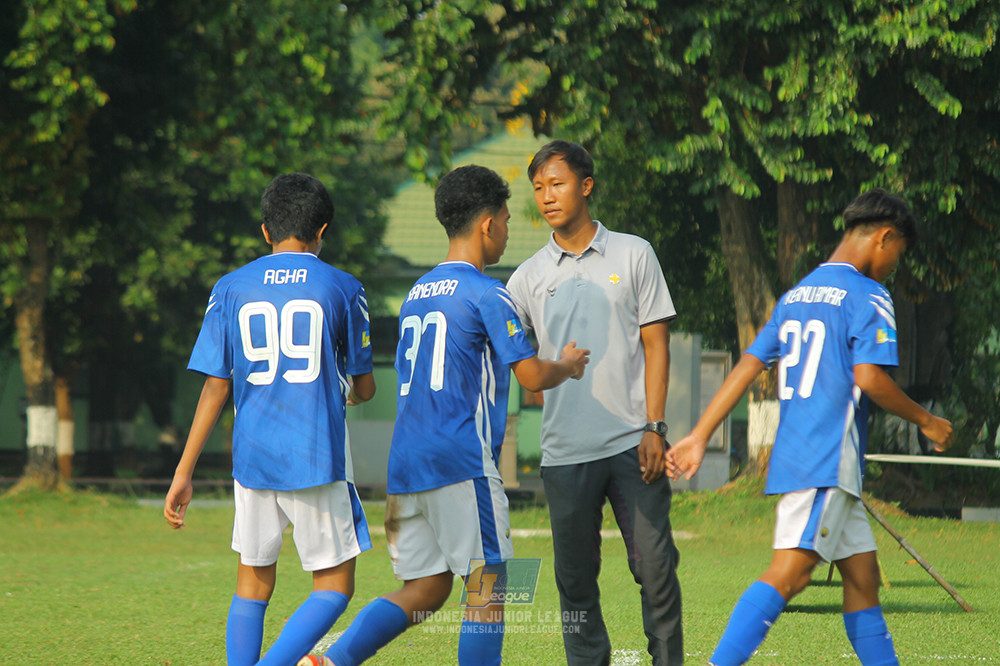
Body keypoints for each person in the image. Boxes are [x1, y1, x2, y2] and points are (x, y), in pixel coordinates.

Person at [299, 165, 590, 666]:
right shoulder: (487, 292)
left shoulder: (418, 293)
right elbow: (530, 378)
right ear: (485, 224)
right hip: (461, 462)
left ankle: (332, 661)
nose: (505, 231)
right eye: (504, 219)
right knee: (489, 587)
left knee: (427, 588)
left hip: (407, 467)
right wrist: (566, 363)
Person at [666, 188, 955, 665]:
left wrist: (700, 434)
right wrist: (927, 420)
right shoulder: (869, 295)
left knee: (863, 583)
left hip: (804, 457)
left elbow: (747, 366)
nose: (894, 268)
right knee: (790, 574)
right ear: (885, 238)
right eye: (898, 256)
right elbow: (869, 377)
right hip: (827, 460)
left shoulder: (796, 295)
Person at [163, 173, 376, 666]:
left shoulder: (231, 286)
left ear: (265, 230)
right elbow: (364, 386)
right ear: (322, 228)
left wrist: (183, 471)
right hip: (315, 453)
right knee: (335, 584)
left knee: (253, 579)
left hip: (252, 455)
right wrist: (343, 388)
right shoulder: (344, 286)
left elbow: (217, 384)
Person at [505, 140, 683, 665]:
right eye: (537, 188)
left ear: (585, 185)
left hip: (634, 444)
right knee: (576, 582)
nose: (546, 197)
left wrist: (654, 426)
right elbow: (527, 372)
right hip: (564, 453)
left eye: (556, 184)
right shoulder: (526, 278)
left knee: (655, 568)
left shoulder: (634, 253)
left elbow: (656, 343)